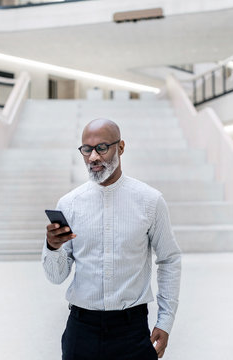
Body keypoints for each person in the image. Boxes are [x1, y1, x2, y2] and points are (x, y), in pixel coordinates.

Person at [42, 118, 181, 360]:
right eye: (87, 149)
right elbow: (56, 277)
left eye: (102, 148)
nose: (93, 157)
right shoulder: (69, 204)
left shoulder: (150, 201)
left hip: (132, 331)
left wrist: (165, 320)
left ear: (121, 147)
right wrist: (53, 248)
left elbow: (169, 259)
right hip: (81, 330)